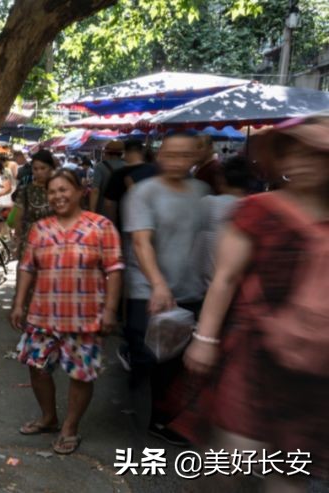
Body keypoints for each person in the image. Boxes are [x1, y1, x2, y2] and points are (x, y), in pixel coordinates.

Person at [182, 116, 329, 490]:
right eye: (296, 153)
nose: (304, 162)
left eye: (316, 155)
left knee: (290, 471)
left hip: (317, 369)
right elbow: (225, 278)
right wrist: (205, 338)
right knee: (232, 464)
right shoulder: (258, 210)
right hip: (253, 354)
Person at [9, 168, 123, 455]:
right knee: (36, 367)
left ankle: (70, 427)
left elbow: (114, 270)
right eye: (52, 191)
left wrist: (110, 310)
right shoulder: (41, 228)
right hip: (42, 314)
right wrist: (19, 303)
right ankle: (49, 417)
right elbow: (26, 267)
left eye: (64, 189)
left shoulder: (101, 226)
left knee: (81, 374)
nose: (58, 196)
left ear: (80, 191)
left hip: (84, 317)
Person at [120, 132, 210, 447]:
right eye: (171, 154)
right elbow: (141, 241)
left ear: (196, 157)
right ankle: (140, 411)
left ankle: (159, 418)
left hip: (189, 290)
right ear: (160, 155)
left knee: (174, 363)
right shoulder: (144, 193)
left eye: (185, 155)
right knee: (148, 357)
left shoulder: (202, 191)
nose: (177, 161)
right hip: (148, 288)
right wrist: (158, 284)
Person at [194, 155, 253, 288]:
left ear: (221, 180)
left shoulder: (209, 203)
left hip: (209, 285)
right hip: (241, 286)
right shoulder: (254, 207)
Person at [9, 150, 57, 257]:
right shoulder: (25, 190)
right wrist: (18, 241)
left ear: (51, 168)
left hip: (54, 247)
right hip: (29, 247)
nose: (38, 172)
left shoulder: (58, 190)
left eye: (43, 168)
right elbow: (15, 219)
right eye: (35, 169)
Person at [101, 140, 156, 229]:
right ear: (141, 152)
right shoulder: (154, 170)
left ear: (125, 152)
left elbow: (108, 204)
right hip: (151, 223)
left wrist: (112, 223)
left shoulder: (117, 174)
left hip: (125, 223)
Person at [91, 140, 124, 213]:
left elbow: (95, 191)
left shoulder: (100, 167)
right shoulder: (128, 166)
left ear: (106, 153)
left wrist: (92, 211)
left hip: (104, 209)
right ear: (121, 153)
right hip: (124, 210)